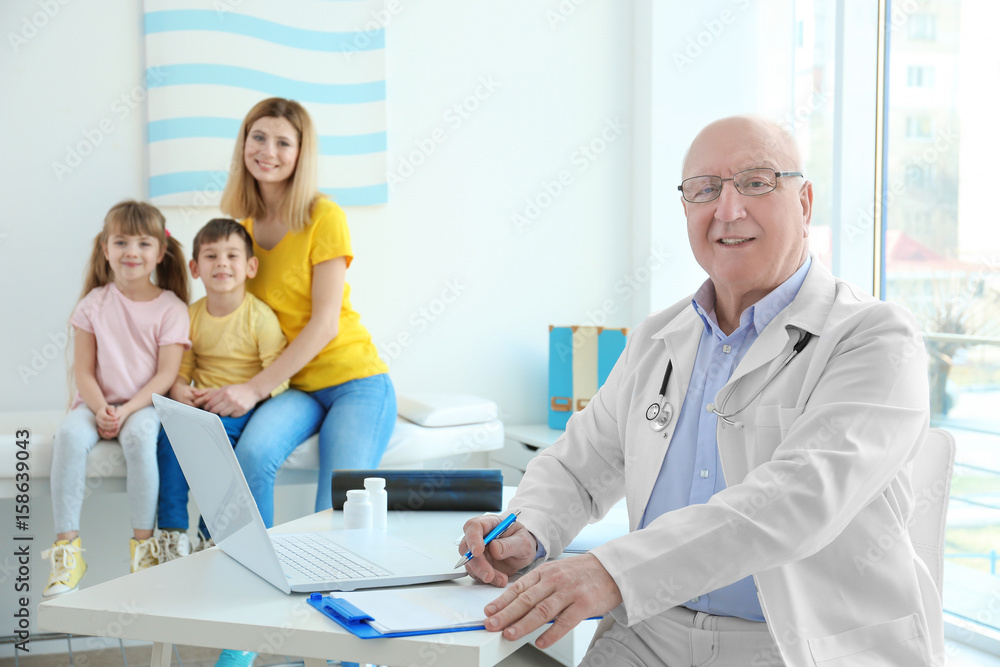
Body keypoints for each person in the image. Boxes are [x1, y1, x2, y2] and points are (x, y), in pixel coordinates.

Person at [460, 116, 942, 666]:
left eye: (757, 182)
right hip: (649, 633)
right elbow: (579, 464)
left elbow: (795, 501)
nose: (728, 210)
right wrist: (529, 530)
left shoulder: (875, 337)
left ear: (804, 203)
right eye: (705, 190)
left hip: (793, 645)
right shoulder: (658, 338)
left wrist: (613, 571)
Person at [206, 98, 395, 667]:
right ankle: (251, 622)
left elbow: (323, 324)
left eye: (283, 142)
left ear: (301, 152)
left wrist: (254, 388)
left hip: (355, 381)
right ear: (243, 145)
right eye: (257, 138)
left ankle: (341, 653)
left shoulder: (323, 215)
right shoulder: (236, 229)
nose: (268, 151)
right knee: (252, 456)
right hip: (295, 388)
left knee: (333, 511)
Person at [43, 200, 190, 598]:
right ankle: (67, 553)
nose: (131, 252)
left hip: (143, 407)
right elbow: (84, 373)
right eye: (121, 242)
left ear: (160, 252)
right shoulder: (93, 305)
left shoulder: (172, 308)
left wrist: (125, 410)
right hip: (94, 405)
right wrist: (100, 409)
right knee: (69, 438)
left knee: (142, 439)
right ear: (105, 248)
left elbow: (165, 375)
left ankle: (144, 550)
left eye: (143, 244)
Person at [155, 219, 289, 559]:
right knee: (170, 439)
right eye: (211, 256)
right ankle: (171, 533)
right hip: (204, 403)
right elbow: (183, 369)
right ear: (195, 267)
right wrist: (180, 389)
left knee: (217, 445)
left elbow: (279, 374)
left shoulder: (260, 317)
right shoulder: (192, 315)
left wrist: (245, 393)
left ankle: (210, 535)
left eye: (232, 255)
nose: (222, 263)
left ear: (251, 266)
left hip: (246, 406)